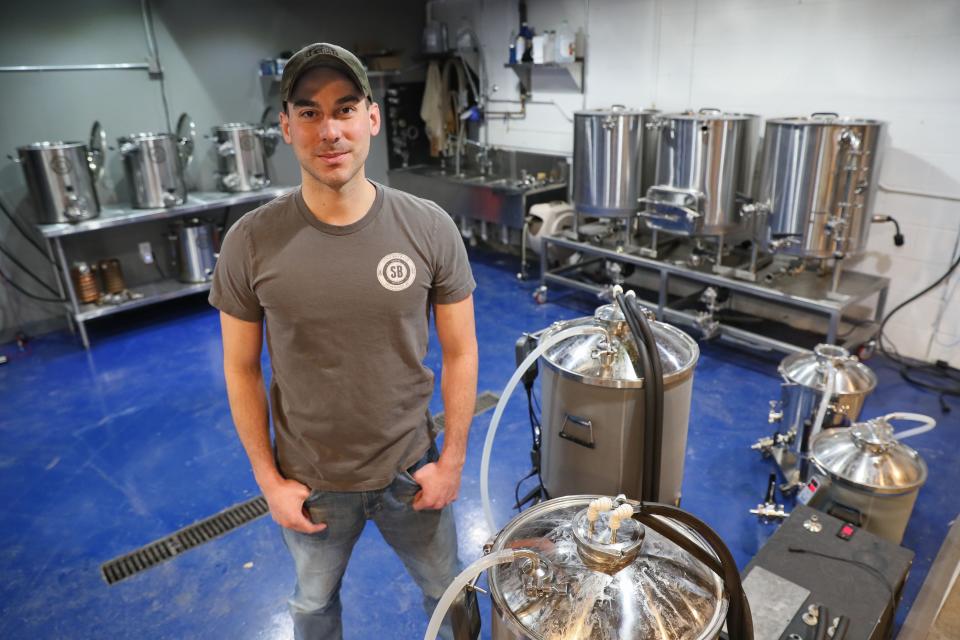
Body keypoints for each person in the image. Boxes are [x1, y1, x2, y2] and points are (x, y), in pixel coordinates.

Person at [209, 42, 479, 640]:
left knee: (449, 592)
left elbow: (461, 351)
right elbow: (240, 369)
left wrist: (452, 460)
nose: (329, 131)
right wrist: (269, 482)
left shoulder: (429, 226)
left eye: (345, 108)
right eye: (308, 112)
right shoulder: (250, 242)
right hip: (310, 484)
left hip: (412, 470)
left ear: (372, 118)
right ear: (285, 127)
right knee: (311, 606)